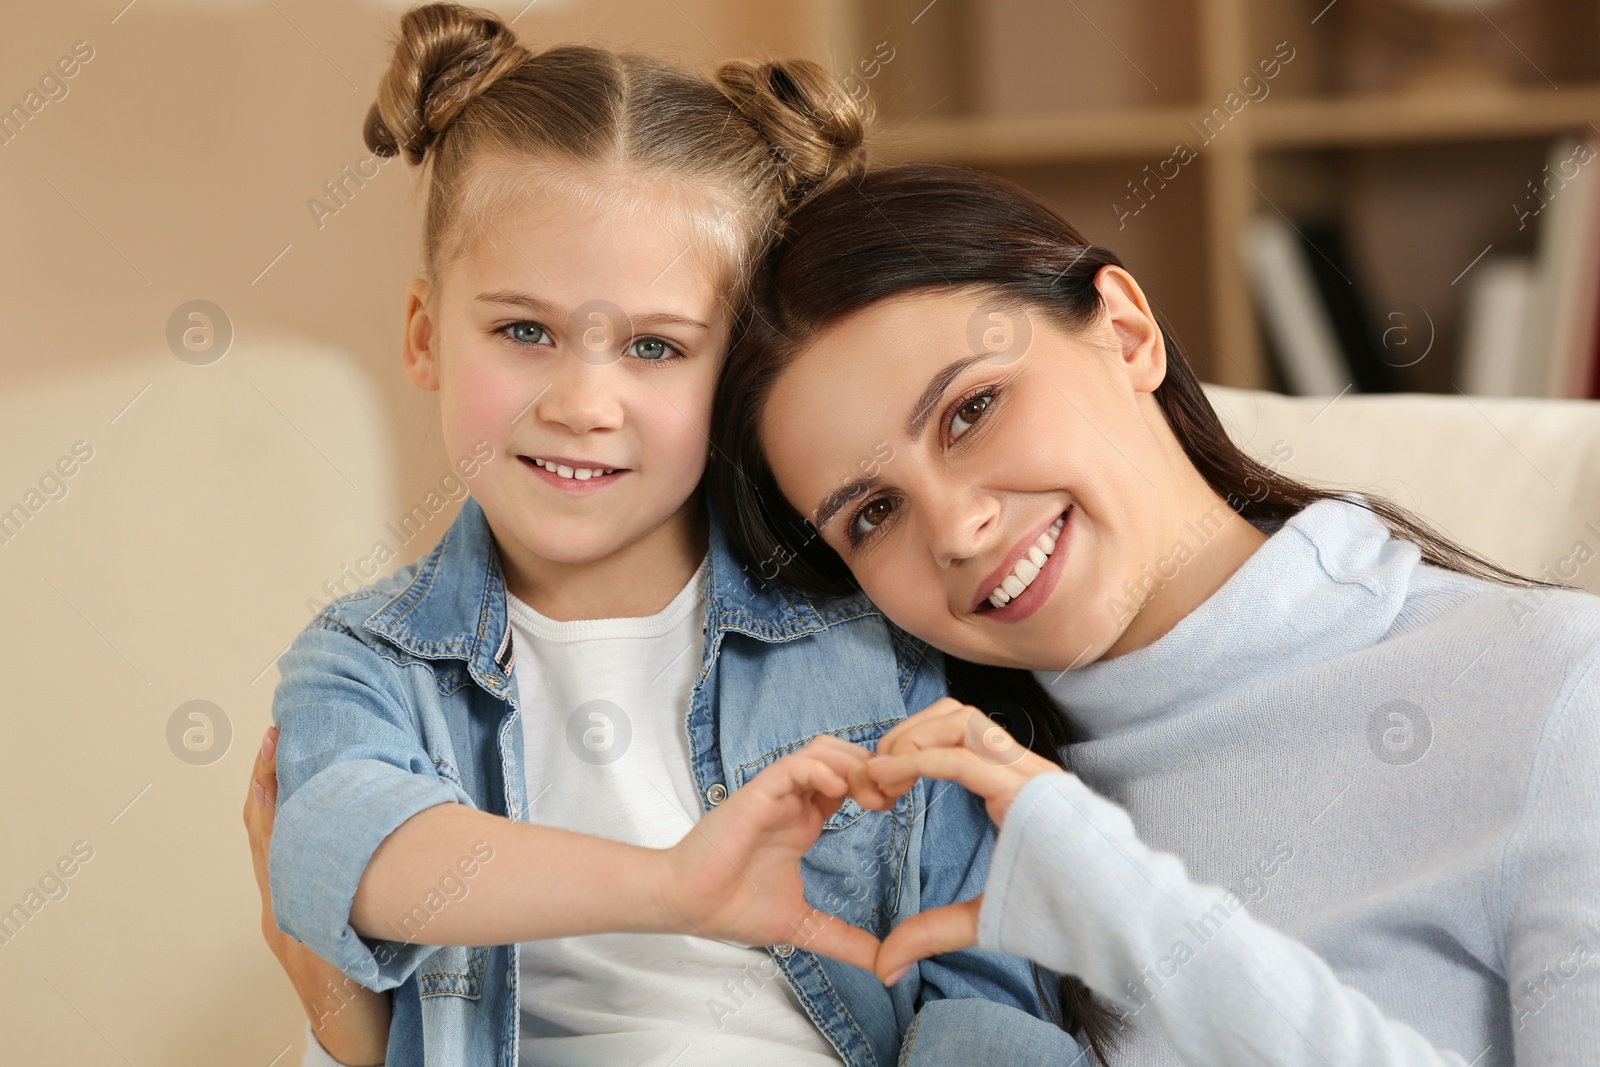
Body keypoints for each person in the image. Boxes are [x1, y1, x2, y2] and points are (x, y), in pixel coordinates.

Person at [242, 7, 1117, 1067]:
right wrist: (670, 885)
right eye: (525, 331)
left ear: (736, 375)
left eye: (655, 346)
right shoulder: (370, 658)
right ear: (426, 333)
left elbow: (989, 979)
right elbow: (339, 849)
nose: (582, 401)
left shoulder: (862, 641)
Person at [710, 162, 1600, 1065]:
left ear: (1128, 333)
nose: (958, 527)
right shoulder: (936, 832)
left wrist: (1133, 915)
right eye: (872, 513)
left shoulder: (1558, 689)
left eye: (971, 409)